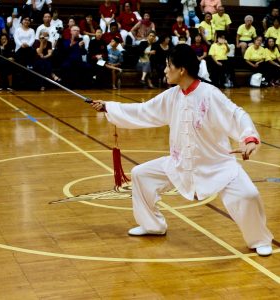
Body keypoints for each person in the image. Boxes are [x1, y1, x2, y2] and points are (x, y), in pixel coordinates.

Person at [90, 44, 274, 257]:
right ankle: (152, 226)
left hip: (217, 165)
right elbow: (143, 111)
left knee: (249, 195)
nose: (166, 70)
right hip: (180, 163)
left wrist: (249, 138)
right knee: (141, 174)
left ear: (182, 70)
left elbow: (236, 114)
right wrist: (108, 107)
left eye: (169, 66)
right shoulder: (171, 96)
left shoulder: (210, 94)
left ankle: (259, 239)